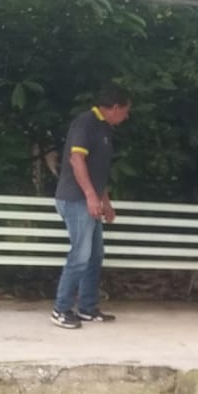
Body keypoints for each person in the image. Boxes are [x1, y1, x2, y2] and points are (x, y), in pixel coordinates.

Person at [50, 85, 131, 329]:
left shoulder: (105, 129)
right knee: (80, 254)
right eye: (125, 111)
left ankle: (87, 307)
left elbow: (98, 172)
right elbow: (77, 160)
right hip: (75, 199)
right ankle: (61, 309)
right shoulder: (85, 123)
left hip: (89, 199)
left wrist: (105, 201)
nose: (126, 116)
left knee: (95, 256)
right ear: (114, 108)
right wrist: (90, 196)